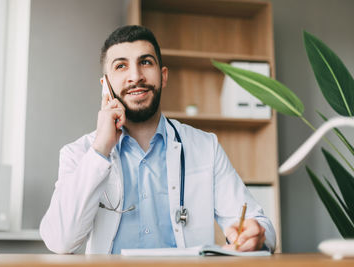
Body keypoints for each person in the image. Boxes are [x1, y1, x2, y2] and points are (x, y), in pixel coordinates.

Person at [40, 25, 276, 254]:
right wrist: (101, 149)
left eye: (145, 62)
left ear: (163, 76)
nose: (136, 76)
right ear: (106, 86)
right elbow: (60, 241)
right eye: (121, 66)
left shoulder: (205, 147)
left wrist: (255, 234)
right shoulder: (78, 153)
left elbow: (261, 225)